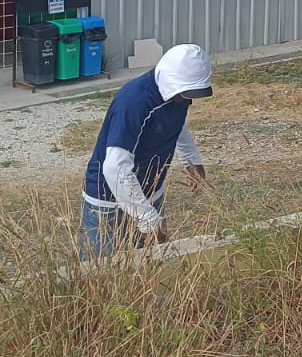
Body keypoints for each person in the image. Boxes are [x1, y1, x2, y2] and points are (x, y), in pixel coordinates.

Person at [81, 44, 213, 256]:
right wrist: (145, 216)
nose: (185, 99)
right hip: (108, 202)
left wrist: (191, 160)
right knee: (102, 269)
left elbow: (176, 123)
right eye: (183, 93)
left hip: (151, 193)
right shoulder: (134, 102)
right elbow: (115, 168)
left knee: (154, 264)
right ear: (169, 79)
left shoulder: (178, 96)